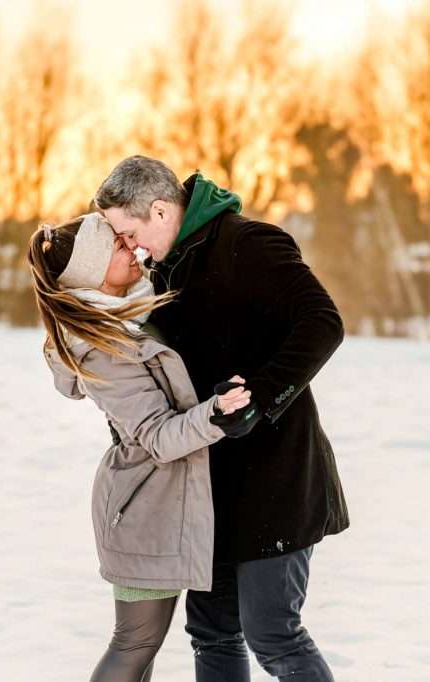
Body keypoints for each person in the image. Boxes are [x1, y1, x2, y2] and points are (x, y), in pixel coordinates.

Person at [94, 156, 349, 682]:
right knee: (212, 633)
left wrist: (260, 397)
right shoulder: (163, 270)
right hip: (210, 484)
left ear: (161, 210)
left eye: (130, 232)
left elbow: (323, 322)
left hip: (277, 476)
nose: (130, 247)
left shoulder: (247, 244)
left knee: (273, 631)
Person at [28, 212, 252, 682]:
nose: (134, 250)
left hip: (159, 500)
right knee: (135, 644)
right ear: (93, 274)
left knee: (141, 651)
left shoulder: (134, 309)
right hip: (140, 507)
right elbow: (156, 436)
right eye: (118, 249)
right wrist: (214, 413)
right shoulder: (101, 348)